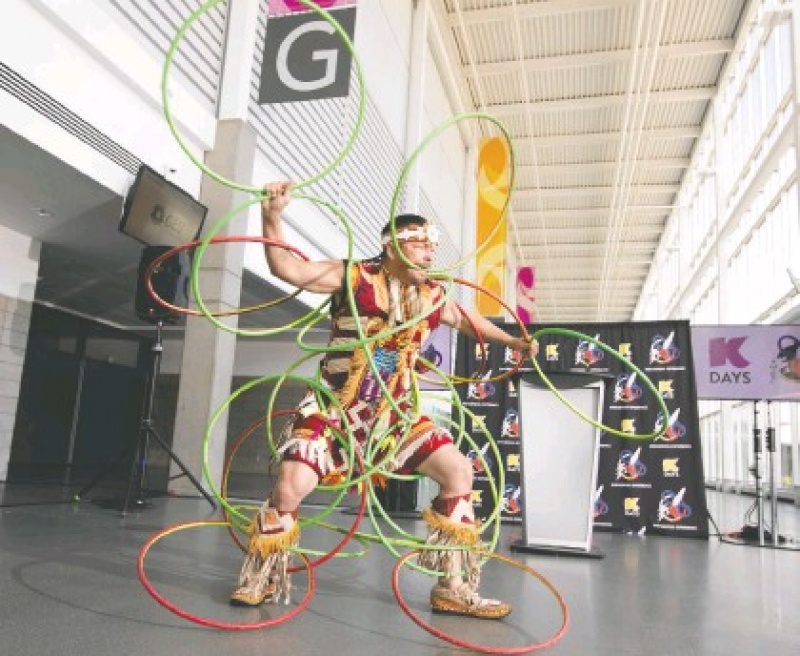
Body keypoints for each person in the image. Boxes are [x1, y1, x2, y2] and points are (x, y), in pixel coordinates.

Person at [230, 181, 538, 619]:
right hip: (333, 411)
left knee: (458, 471)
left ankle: (453, 588)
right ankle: (262, 575)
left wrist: (514, 342)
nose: (430, 254)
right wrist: (272, 216)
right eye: (420, 245)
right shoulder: (353, 277)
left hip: (394, 419)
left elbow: (469, 320)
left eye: (432, 247)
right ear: (392, 247)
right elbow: (288, 269)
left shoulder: (433, 296)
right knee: (289, 486)